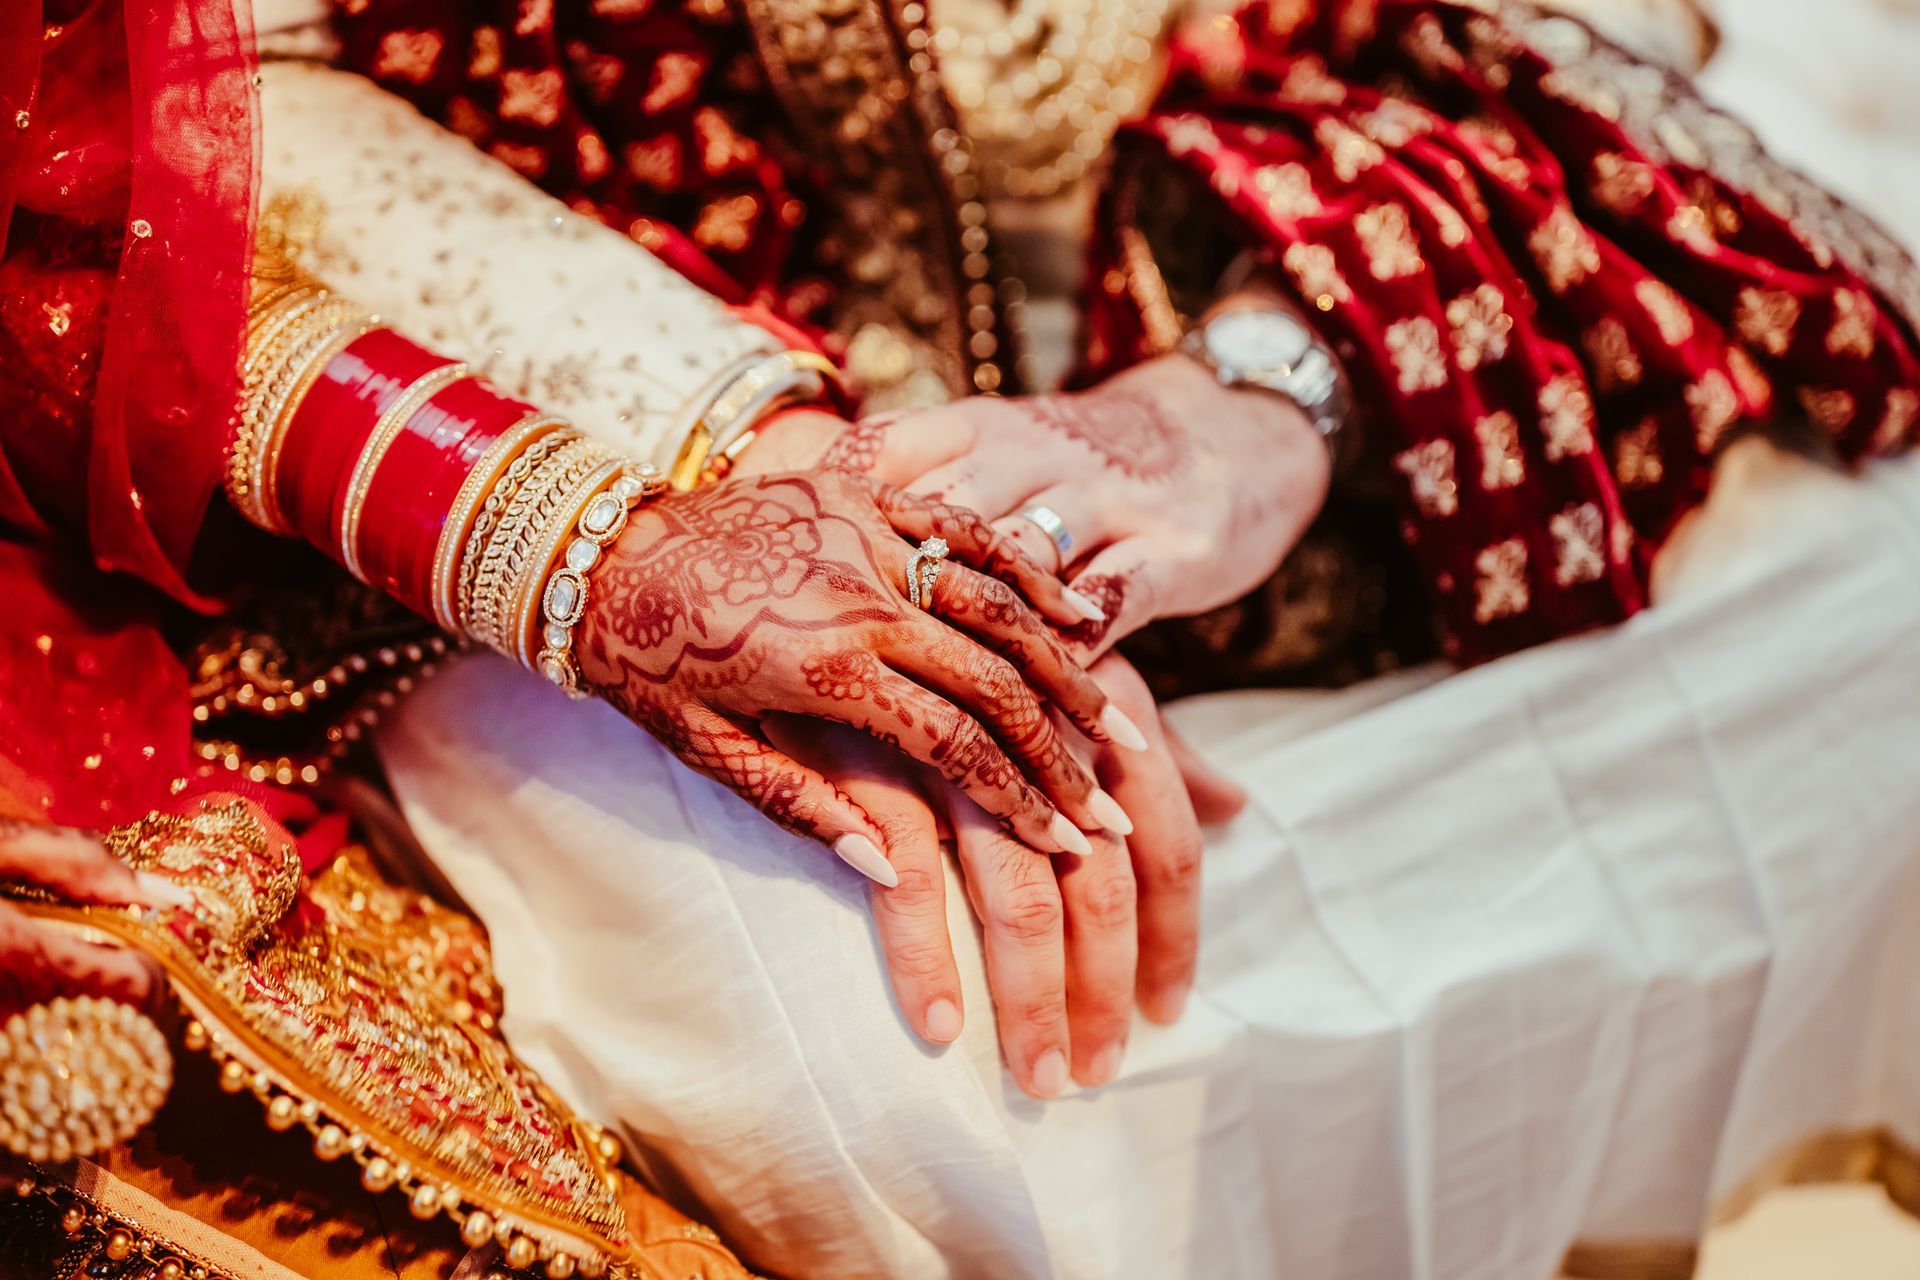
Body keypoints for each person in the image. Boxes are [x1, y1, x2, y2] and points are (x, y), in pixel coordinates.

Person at [4, 0, 1920, 1277]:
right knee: (916, 1094)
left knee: (1874, 614)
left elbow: (1550, 46)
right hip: (575, 415)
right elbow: (160, 109)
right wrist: (685, 506)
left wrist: (1270, 394)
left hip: (1287, 338)